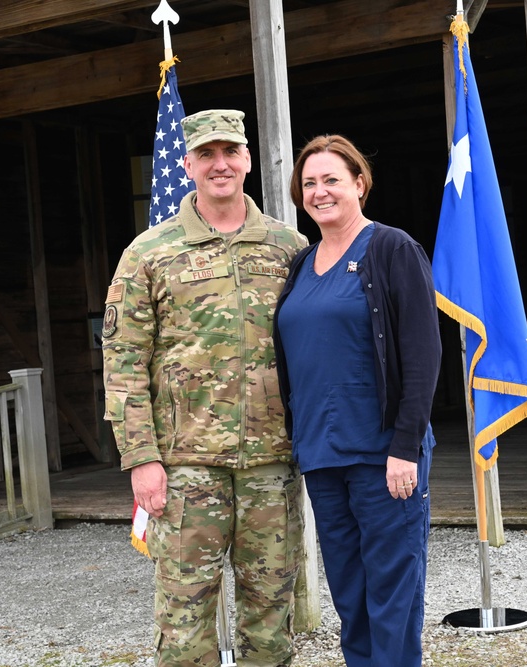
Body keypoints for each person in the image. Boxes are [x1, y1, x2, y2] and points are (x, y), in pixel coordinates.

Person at [102, 109, 309, 667]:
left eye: (230, 152)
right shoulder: (149, 252)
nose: (220, 165)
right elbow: (123, 361)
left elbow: (317, 350)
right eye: (207, 155)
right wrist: (141, 458)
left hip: (272, 460)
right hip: (186, 466)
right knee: (184, 615)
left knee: (271, 610)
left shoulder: (289, 248)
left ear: (246, 160)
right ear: (188, 163)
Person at [273, 134, 441, 667]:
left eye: (332, 180)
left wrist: (406, 446)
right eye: (310, 183)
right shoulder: (300, 265)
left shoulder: (391, 249)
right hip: (323, 456)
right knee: (350, 593)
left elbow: (423, 352)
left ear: (360, 184)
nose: (320, 192)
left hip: (383, 456)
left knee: (392, 594)